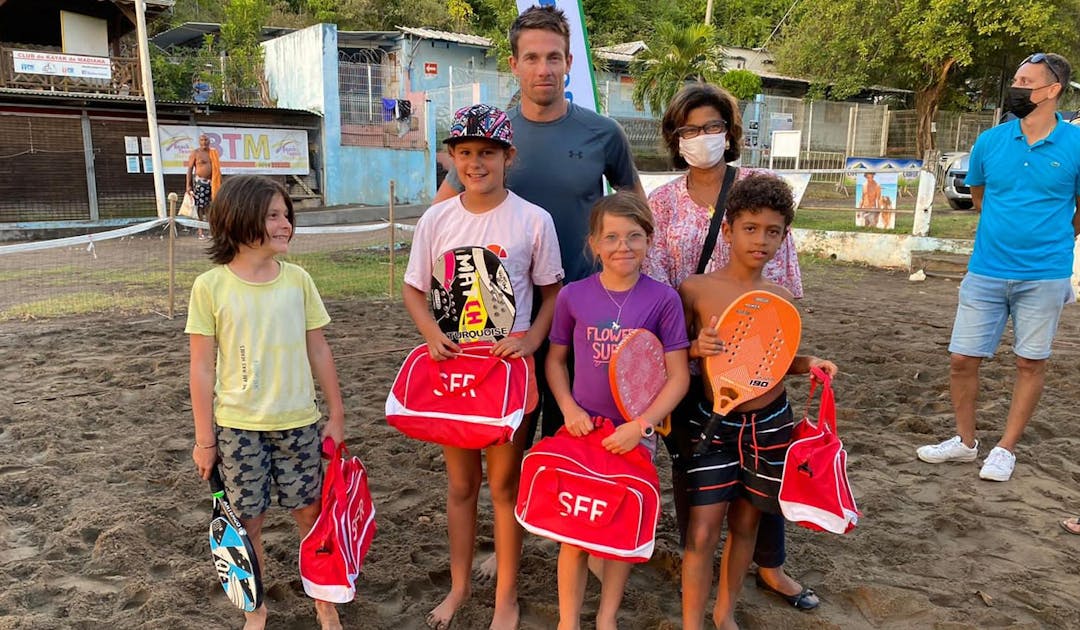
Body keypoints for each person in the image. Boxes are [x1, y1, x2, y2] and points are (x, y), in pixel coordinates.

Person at [433, 4, 644, 442]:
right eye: (531, 57)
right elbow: (440, 216)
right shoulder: (492, 137)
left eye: (553, 57)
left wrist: (629, 283)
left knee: (574, 432)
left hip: (585, 311)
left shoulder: (604, 133)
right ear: (514, 65)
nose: (543, 68)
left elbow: (635, 210)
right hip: (504, 317)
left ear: (569, 63)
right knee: (512, 434)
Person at [643, 82, 814, 611]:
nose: (703, 137)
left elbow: (783, 304)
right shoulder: (664, 202)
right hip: (692, 366)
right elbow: (657, 286)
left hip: (757, 380)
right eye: (690, 129)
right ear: (675, 137)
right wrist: (686, 347)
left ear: (730, 132)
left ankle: (768, 570)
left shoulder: (758, 188)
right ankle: (695, 583)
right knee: (699, 494)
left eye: (713, 127)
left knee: (757, 502)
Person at [402, 103, 564, 630]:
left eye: (488, 152)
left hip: (505, 373)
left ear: (507, 156)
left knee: (503, 487)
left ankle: (506, 600)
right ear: (452, 157)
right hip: (454, 373)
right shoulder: (437, 219)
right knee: (460, 487)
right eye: (466, 152)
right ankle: (460, 587)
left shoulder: (532, 220)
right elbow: (414, 288)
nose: (477, 163)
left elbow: (551, 292)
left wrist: (531, 341)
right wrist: (431, 336)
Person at [677, 174, 837, 630]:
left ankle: (724, 615)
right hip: (713, 425)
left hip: (769, 424)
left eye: (773, 231)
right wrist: (694, 349)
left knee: (747, 526)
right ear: (727, 230)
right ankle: (692, 622)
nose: (761, 240)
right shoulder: (695, 289)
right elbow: (672, 354)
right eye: (750, 228)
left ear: (784, 237)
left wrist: (811, 364)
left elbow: (772, 360)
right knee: (703, 529)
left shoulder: (781, 298)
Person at [186, 175, 345, 630]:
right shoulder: (210, 287)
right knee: (247, 523)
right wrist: (204, 439)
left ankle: (324, 602)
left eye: (286, 215)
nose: (286, 224)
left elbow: (319, 349)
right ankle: (255, 609)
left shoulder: (298, 281)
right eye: (274, 215)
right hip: (236, 428)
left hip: (299, 422)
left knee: (310, 516)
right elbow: (201, 368)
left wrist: (336, 414)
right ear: (241, 221)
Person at [916, 53, 1080, 482]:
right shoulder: (990, 141)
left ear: (1052, 90)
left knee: (1030, 362)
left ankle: (1005, 448)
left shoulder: (1076, 145)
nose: (1017, 87)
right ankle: (966, 442)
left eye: (1027, 81)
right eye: (1017, 80)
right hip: (986, 269)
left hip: (1045, 274)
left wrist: (1054, 238)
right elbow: (981, 199)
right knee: (962, 358)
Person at [546, 191, 690, 630]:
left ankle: (607, 618)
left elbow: (678, 376)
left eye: (633, 236)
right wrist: (569, 408)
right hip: (583, 433)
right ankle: (568, 622)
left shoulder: (663, 299)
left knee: (617, 532)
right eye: (611, 237)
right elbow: (555, 361)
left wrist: (642, 426)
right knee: (574, 537)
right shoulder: (573, 296)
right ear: (594, 243)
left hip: (635, 436)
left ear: (649, 240)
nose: (622, 246)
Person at [186, 133, 222, 239]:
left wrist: (219, 182)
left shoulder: (213, 153)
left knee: (211, 207)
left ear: (209, 141)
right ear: (199, 141)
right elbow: (189, 169)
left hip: (213, 183)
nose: (204, 142)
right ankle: (200, 231)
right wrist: (188, 186)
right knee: (201, 207)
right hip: (200, 183)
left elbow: (217, 170)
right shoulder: (195, 153)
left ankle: (211, 230)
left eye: (206, 140)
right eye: (202, 140)